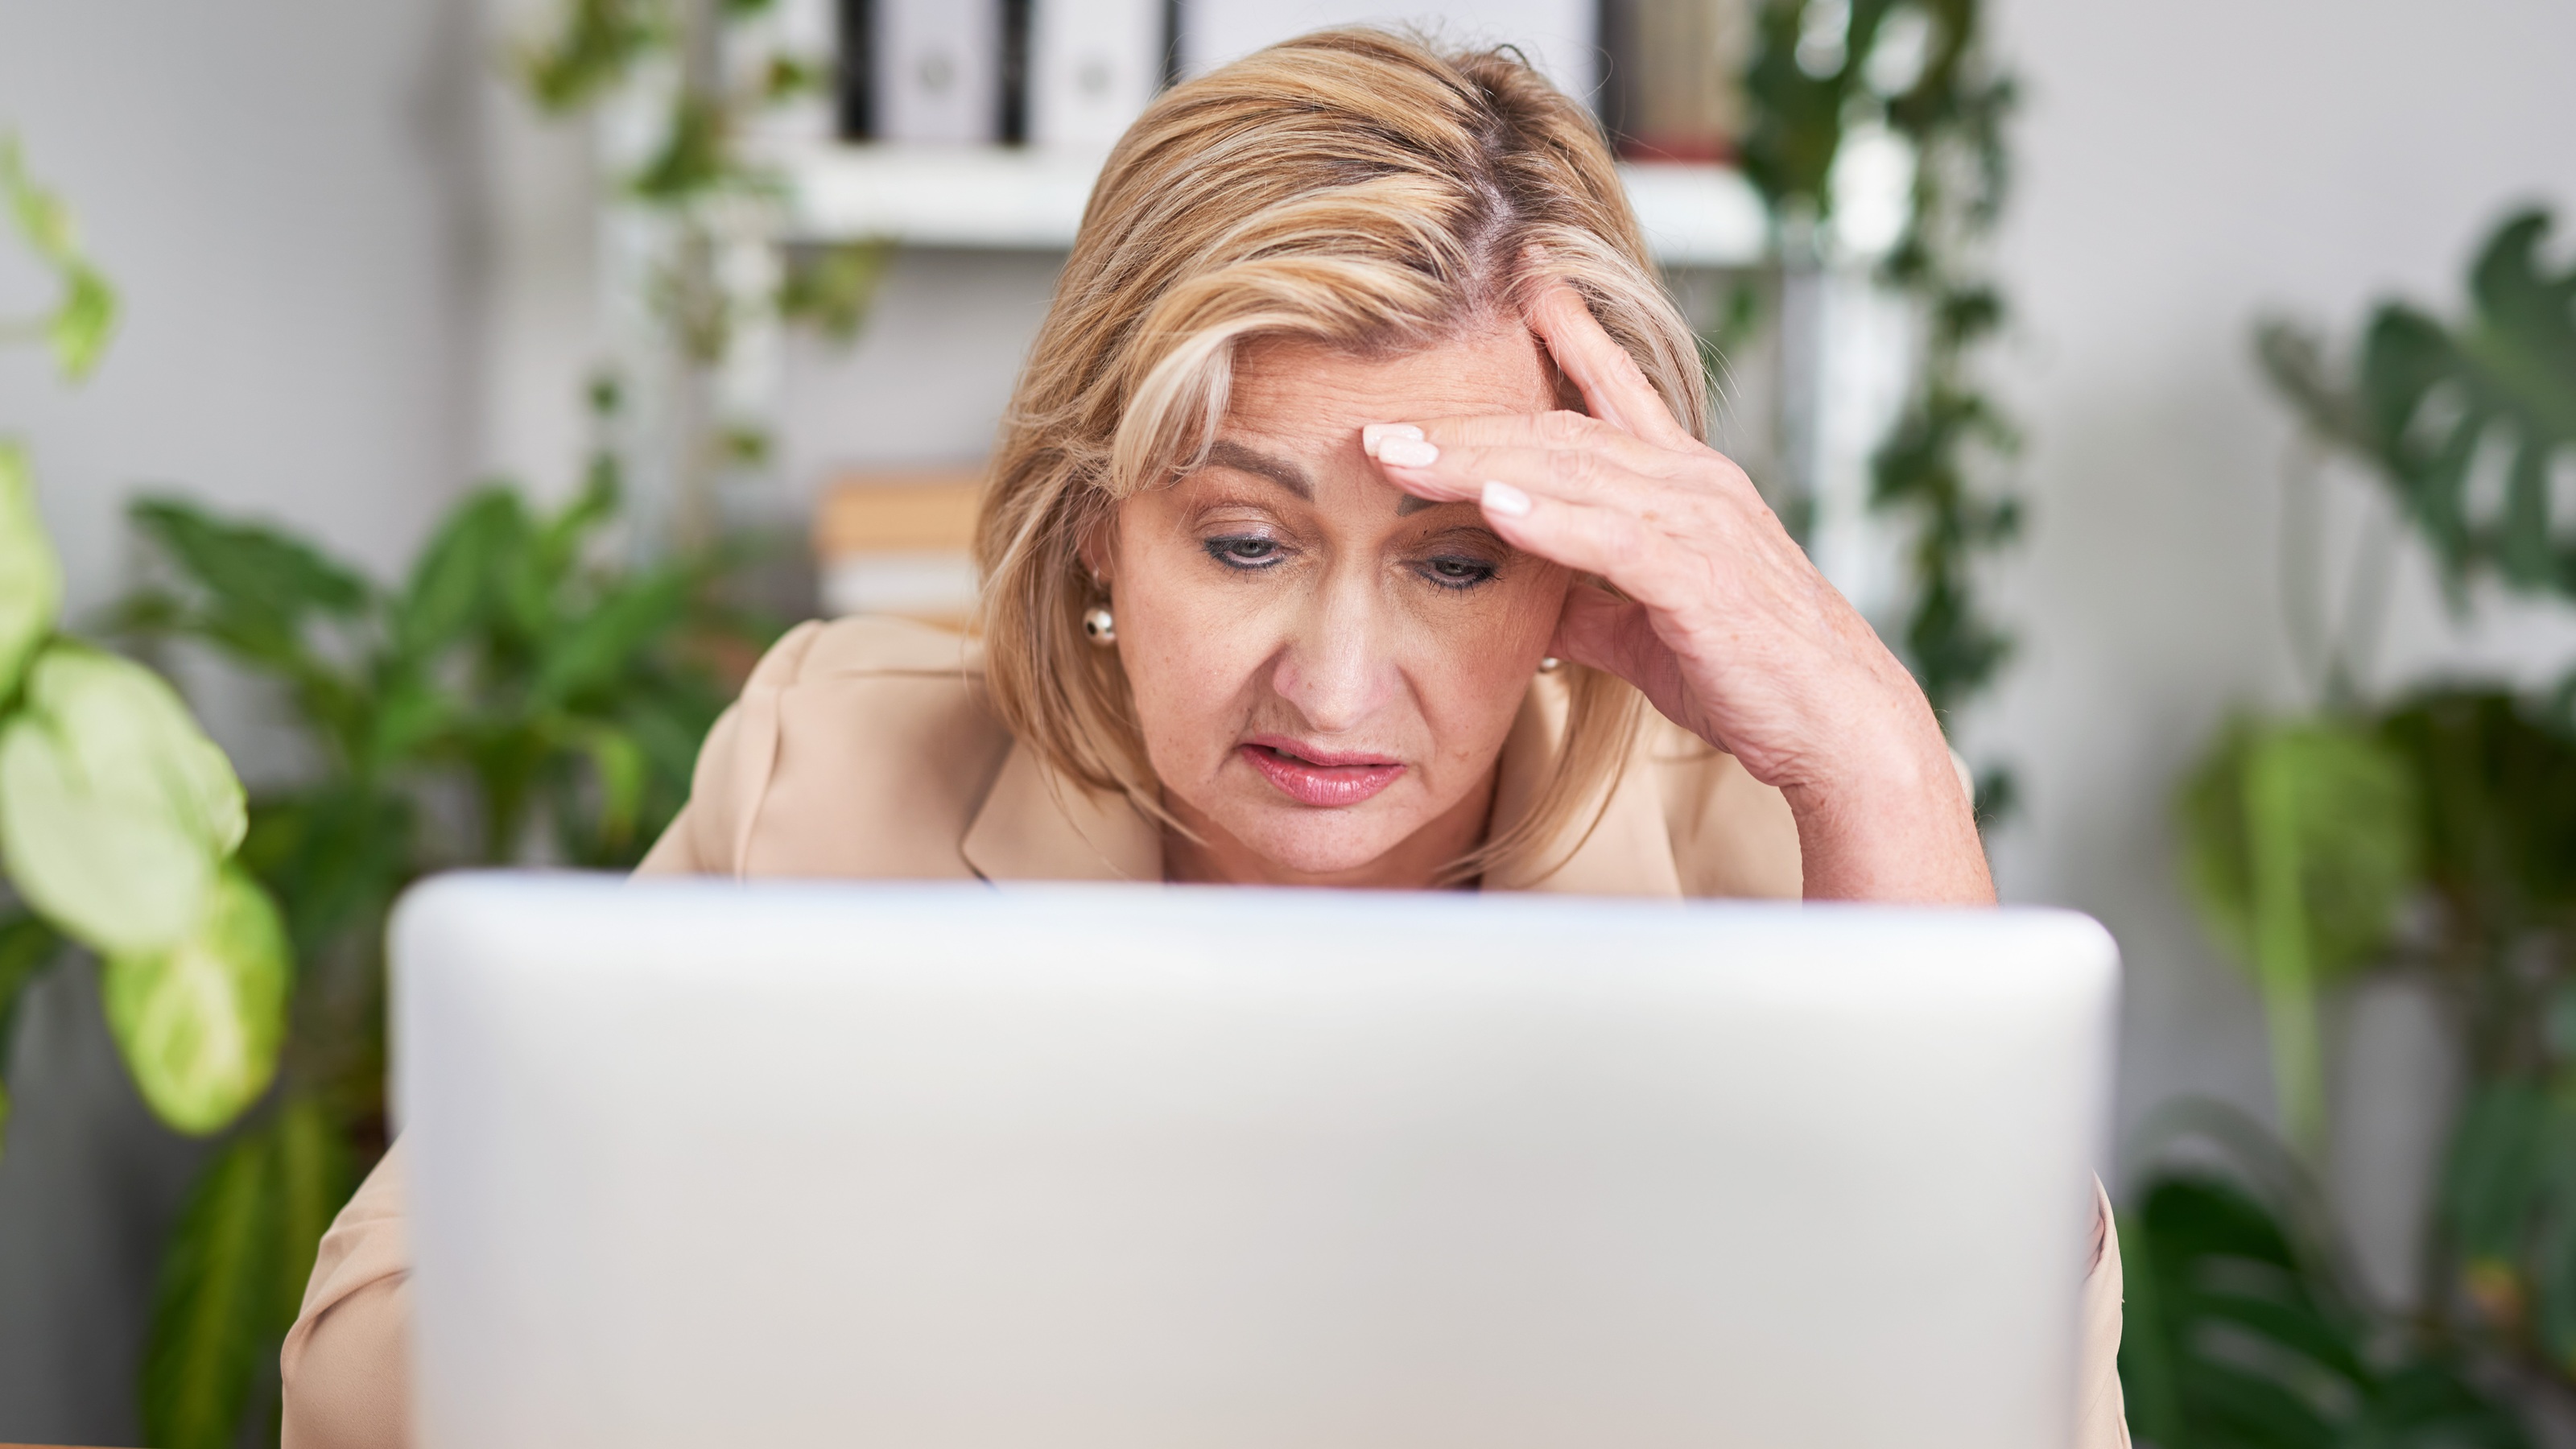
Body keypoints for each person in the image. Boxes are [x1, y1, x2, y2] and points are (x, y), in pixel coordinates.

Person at [281, 28, 2126, 1448]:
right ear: (1097, 521)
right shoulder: (828, 762)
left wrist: (1881, 758)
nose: (1330, 686)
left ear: (1579, 555)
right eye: (1242, 543)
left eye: (1455, 563)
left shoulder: (1769, 852)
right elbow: (358, 1381)